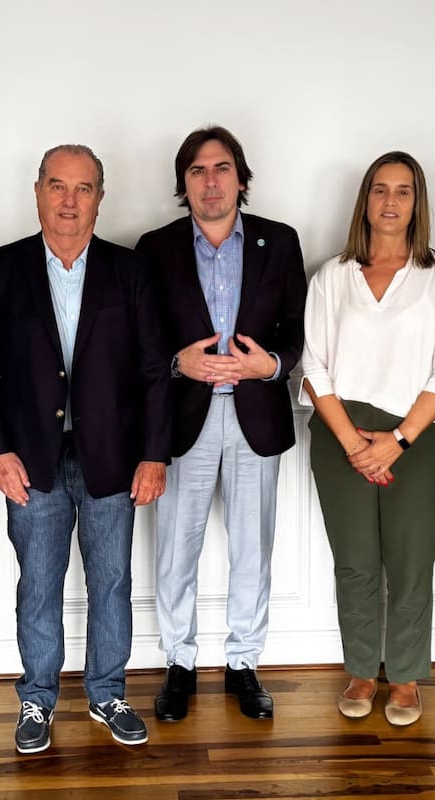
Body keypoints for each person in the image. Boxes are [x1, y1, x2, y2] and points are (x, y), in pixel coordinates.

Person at [0, 144, 170, 753]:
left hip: (113, 458)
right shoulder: (2, 268)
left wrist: (154, 455)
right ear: (37, 192)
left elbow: (155, 370)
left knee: (111, 582)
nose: (68, 201)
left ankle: (108, 693)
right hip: (30, 460)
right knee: (39, 583)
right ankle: (37, 698)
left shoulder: (128, 269)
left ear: (100, 200)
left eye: (83, 189)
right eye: (57, 186)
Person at [135, 126, 306, 721]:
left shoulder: (278, 242)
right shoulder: (154, 248)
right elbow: (142, 339)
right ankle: (179, 663)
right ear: (184, 183)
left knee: (252, 549)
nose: (211, 181)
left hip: (256, 413)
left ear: (241, 177)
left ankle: (244, 663)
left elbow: (297, 330)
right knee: (176, 549)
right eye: (198, 171)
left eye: (222, 168)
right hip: (183, 417)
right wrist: (178, 362)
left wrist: (273, 364)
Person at [300, 151, 435, 727]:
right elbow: (314, 367)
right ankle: (362, 670)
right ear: (364, 200)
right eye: (379, 190)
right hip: (340, 431)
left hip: (421, 437)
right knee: (356, 562)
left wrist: (396, 440)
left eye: (403, 191)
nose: (390, 202)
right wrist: (352, 443)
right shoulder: (332, 276)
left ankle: (404, 677)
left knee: (411, 562)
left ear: (417, 202)